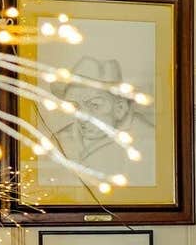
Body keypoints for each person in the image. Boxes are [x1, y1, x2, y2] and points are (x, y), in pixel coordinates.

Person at [48, 57, 156, 187]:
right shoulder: (59, 139)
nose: (82, 116)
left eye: (94, 105)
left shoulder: (148, 139)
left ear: (120, 108)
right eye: (75, 106)